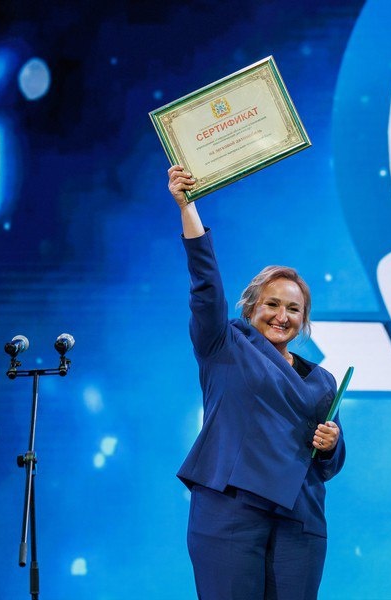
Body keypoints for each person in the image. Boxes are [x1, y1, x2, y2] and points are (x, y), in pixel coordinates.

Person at [167, 165, 345, 600]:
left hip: (300, 519)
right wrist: (188, 208)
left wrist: (331, 444)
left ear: (304, 320)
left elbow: (328, 465)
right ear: (250, 308)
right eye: (272, 304)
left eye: (293, 309)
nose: (282, 316)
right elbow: (205, 286)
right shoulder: (224, 344)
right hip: (230, 512)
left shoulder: (323, 380)